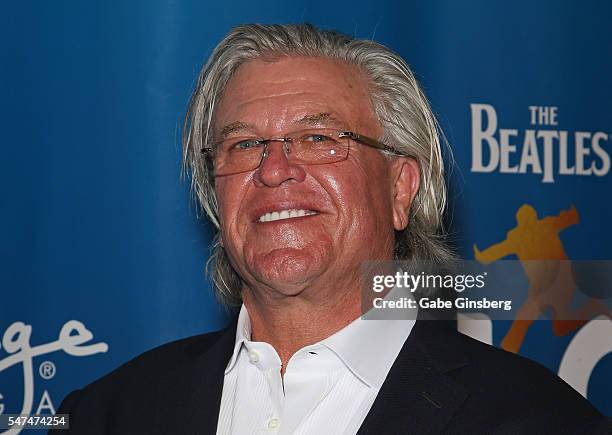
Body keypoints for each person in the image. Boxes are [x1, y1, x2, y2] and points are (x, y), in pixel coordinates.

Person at [51, 23, 609, 434]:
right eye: (243, 144)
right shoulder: (106, 413)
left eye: (320, 139)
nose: (273, 170)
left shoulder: (539, 420)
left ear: (399, 189)